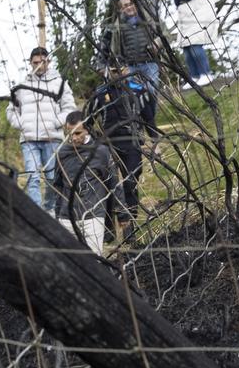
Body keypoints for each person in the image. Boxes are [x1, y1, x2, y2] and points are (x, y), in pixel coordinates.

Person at [8, 46, 77, 213]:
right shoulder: (22, 86)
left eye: (42, 62)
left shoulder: (60, 84)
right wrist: (21, 123)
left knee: (52, 178)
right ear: (31, 63)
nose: (39, 65)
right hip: (29, 139)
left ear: (48, 61)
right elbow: (11, 110)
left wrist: (55, 122)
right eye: (35, 62)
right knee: (32, 177)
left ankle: (49, 210)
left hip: (52, 138)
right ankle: (36, 213)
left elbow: (69, 108)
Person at [84, 70, 151, 243]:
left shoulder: (138, 90)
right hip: (108, 147)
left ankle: (130, 228)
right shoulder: (99, 94)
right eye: (113, 70)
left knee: (130, 183)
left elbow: (149, 116)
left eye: (120, 69)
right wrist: (97, 140)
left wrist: (153, 138)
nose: (117, 73)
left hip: (132, 144)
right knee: (108, 186)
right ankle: (108, 229)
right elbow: (87, 122)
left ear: (127, 69)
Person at [50, 111, 119, 256]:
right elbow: (57, 186)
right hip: (67, 217)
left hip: (93, 216)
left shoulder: (101, 152)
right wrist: (57, 216)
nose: (73, 138)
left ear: (87, 129)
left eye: (78, 133)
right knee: (70, 262)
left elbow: (113, 183)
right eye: (69, 133)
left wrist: (122, 214)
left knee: (95, 262)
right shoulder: (61, 153)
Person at [96, 0, 164, 136]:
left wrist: (157, 43)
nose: (129, 7)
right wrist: (103, 65)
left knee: (150, 92)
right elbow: (106, 43)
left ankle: (150, 123)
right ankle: (142, 126)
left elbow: (164, 34)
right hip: (130, 66)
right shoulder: (118, 24)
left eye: (131, 3)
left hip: (150, 63)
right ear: (121, 8)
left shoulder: (149, 16)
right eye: (126, 5)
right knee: (136, 97)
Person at [171, 0, 221, 87]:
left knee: (195, 46)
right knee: (187, 49)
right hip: (188, 19)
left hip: (199, 17)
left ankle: (206, 74)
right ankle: (195, 76)